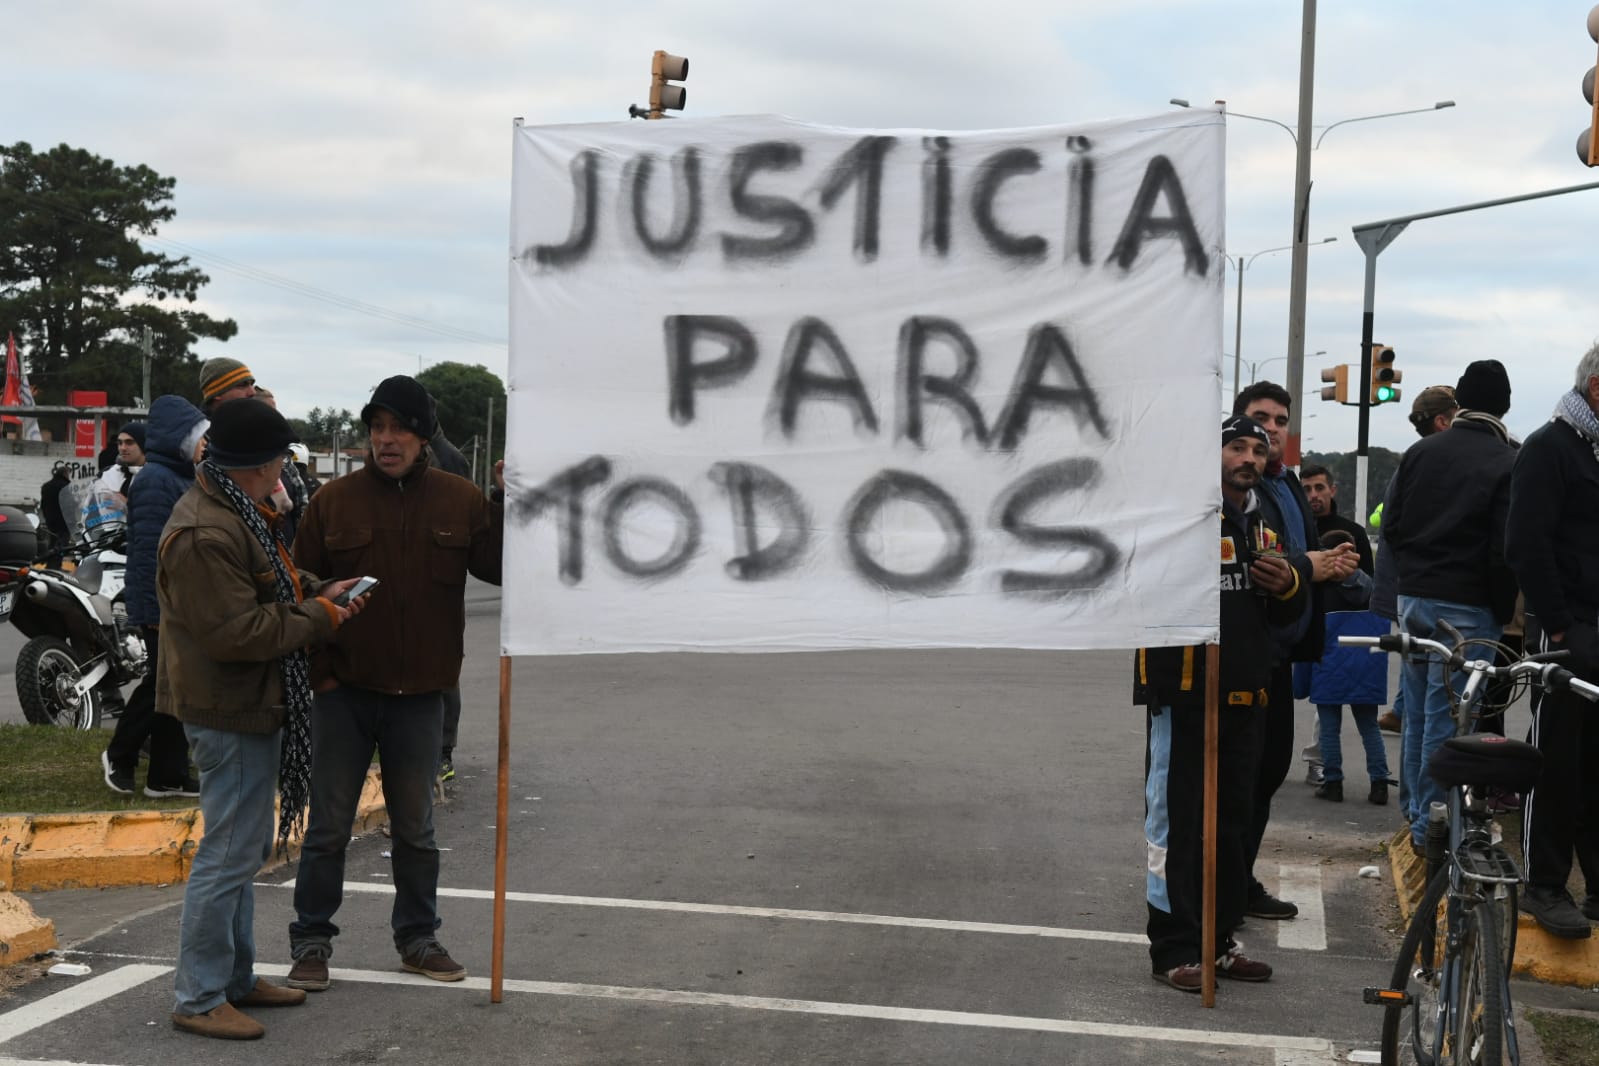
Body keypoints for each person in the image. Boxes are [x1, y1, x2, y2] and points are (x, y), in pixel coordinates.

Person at [158, 397, 368, 1039]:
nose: (285, 469)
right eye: (281, 459)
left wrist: (316, 590)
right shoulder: (206, 531)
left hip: (247, 701)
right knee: (227, 854)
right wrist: (320, 618)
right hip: (230, 708)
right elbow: (236, 632)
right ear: (259, 464)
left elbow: (266, 581)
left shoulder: (234, 508)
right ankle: (199, 996)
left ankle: (234, 979)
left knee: (241, 851)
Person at [287, 375, 504, 990]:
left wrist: (507, 500)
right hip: (345, 695)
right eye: (377, 428)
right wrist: (323, 678)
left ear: (423, 437)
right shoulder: (332, 502)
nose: (386, 440)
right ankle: (311, 943)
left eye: (400, 429)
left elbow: (501, 566)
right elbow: (298, 588)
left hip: (423, 698)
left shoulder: (461, 500)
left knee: (416, 830)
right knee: (328, 829)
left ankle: (418, 939)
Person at [1137, 415, 1306, 992]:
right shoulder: (1181, 518)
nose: (1248, 459)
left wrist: (1287, 584)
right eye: (1237, 447)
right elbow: (1141, 584)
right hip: (1185, 694)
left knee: (1232, 827)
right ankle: (1175, 947)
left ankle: (1219, 938)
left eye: (1258, 450)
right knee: (1177, 826)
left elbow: (1284, 613)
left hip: (1245, 698)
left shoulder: (1261, 523)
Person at [1383, 359, 1517, 853]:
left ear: (1461, 400)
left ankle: (1416, 815)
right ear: (1505, 405)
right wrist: (1500, 609)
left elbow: (1391, 525)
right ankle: (1431, 831)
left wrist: (1416, 573)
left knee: (1418, 714)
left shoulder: (1422, 452)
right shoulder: (1506, 460)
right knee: (1450, 722)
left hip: (1414, 596)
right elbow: (1503, 549)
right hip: (1467, 605)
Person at [1234, 381, 1355, 921]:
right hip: (1246, 653)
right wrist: (1310, 565)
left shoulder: (1285, 483)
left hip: (1281, 654)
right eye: (1261, 418)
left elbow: (1297, 553)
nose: (1272, 429)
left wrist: (1333, 562)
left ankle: (1238, 880)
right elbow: (1264, 563)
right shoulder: (1242, 490)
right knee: (1239, 780)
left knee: (1268, 773)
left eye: (1280, 420)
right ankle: (1223, 888)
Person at [1505, 343, 1599, 940]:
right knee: (1558, 761)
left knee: (1596, 765)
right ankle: (1544, 884)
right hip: (1568, 634)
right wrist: (1560, 625)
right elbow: (1525, 544)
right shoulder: (1550, 447)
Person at [101, 396, 210, 797]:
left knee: (177, 687)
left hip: (180, 600)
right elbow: (150, 550)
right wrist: (152, 609)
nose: (204, 444)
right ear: (180, 437)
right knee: (160, 685)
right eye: (199, 436)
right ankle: (120, 754)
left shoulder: (182, 476)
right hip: (160, 603)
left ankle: (168, 774)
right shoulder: (155, 480)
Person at [1369, 385, 1459, 740]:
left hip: (1407, 589)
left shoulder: (1412, 461)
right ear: (1442, 422)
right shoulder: (1431, 464)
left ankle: (1401, 712)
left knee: (1417, 675)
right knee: (1435, 708)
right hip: (1425, 589)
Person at [1294, 530, 1390, 805]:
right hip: (1367, 669)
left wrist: (1300, 684)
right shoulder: (1373, 590)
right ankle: (1379, 783)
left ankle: (1333, 783)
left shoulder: (1318, 592)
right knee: (1369, 727)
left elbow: (1306, 639)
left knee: (1329, 729)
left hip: (1328, 669)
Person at [424, 396, 474, 784]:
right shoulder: (413, 451)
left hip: (439, 577)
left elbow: (465, 517)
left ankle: (442, 751)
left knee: (442, 669)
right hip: (411, 575)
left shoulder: (449, 458)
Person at [1300, 464, 1373, 577]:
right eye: (1307, 490)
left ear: (1332, 491)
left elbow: (1369, 581)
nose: (1313, 495)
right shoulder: (1294, 532)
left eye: (1319, 488)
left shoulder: (1356, 532)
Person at [38, 463, 71, 547]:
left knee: (53, 540)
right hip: (63, 520)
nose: (69, 476)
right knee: (63, 541)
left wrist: (46, 516)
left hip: (50, 519)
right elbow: (69, 503)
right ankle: (59, 554)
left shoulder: (46, 486)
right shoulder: (65, 486)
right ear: (64, 474)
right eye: (68, 474)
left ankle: (52, 554)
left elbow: (43, 503)